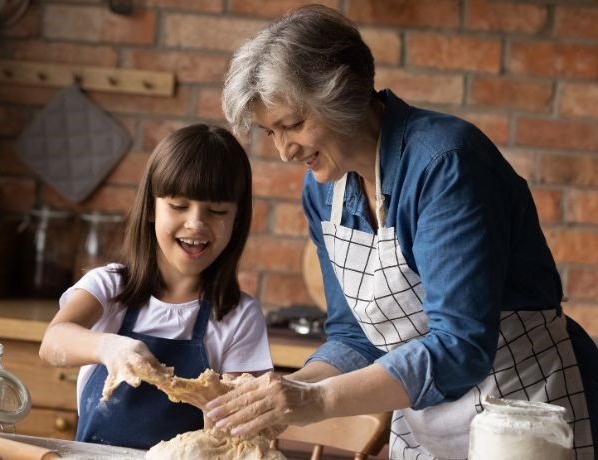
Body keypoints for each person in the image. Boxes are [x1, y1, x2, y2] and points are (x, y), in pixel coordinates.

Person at [205, 5, 598, 459]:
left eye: (293, 125)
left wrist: (317, 400)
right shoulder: (324, 193)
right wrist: (285, 390)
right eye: (269, 133)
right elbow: (356, 338)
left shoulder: (445, 164)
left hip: (523, 418)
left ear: (343, 93)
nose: (285, 151)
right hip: (425, 427)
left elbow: (460, 346)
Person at [39, 124, 273, 450]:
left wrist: (220, 407)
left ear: (237, 219)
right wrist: (109, 347)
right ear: (151, 208)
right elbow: (53, 341)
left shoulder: (238, 316)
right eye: (178, 206)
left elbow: (241, 436)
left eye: (217, 210)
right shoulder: (109, 286)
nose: (196, 223)